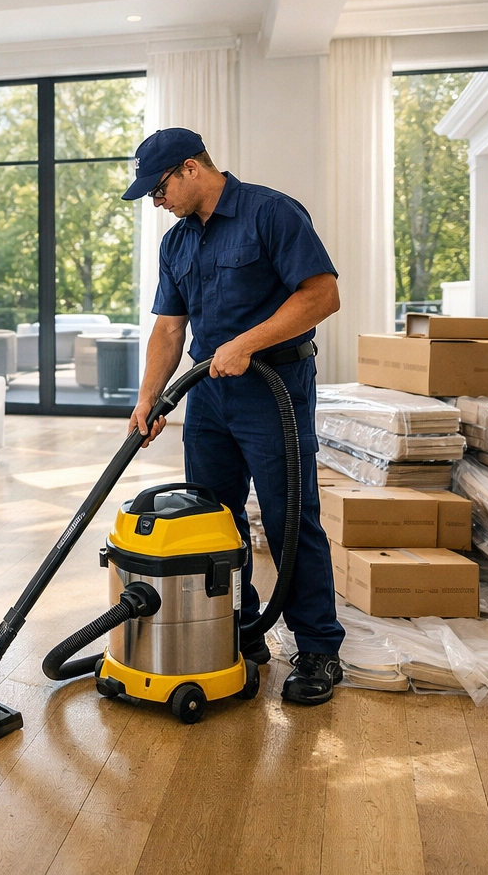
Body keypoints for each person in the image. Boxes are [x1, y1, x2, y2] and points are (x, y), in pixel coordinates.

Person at [123, 127, 344, 705]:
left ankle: (318, 647)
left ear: (192, 168)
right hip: (209, 397)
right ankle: (241, 631)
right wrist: (149, 397)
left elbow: (322, 295)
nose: (155, 200)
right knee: (215, 520)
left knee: (290, 518)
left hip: (275, 389)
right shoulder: (176, 245)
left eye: (159, 187)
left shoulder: (271, 213)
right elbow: (169, 328)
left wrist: (248, 341)